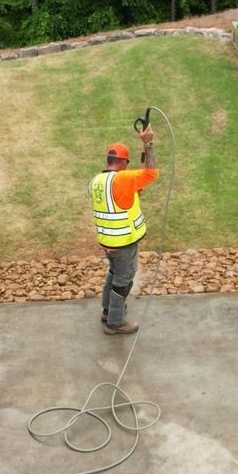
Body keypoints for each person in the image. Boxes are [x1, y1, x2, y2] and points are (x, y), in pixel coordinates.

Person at [88, 127, 158, 334]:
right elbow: (151, 172)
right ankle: (115, 322)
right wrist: (148, 143)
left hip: (107, 240)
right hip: (124, 240)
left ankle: (107, 310)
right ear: (124, 162)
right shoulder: (124, 179)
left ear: (108, 160)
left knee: (114, 272)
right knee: (124, 279)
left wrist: (132, 192)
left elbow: (117, 201)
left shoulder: (96, 182)